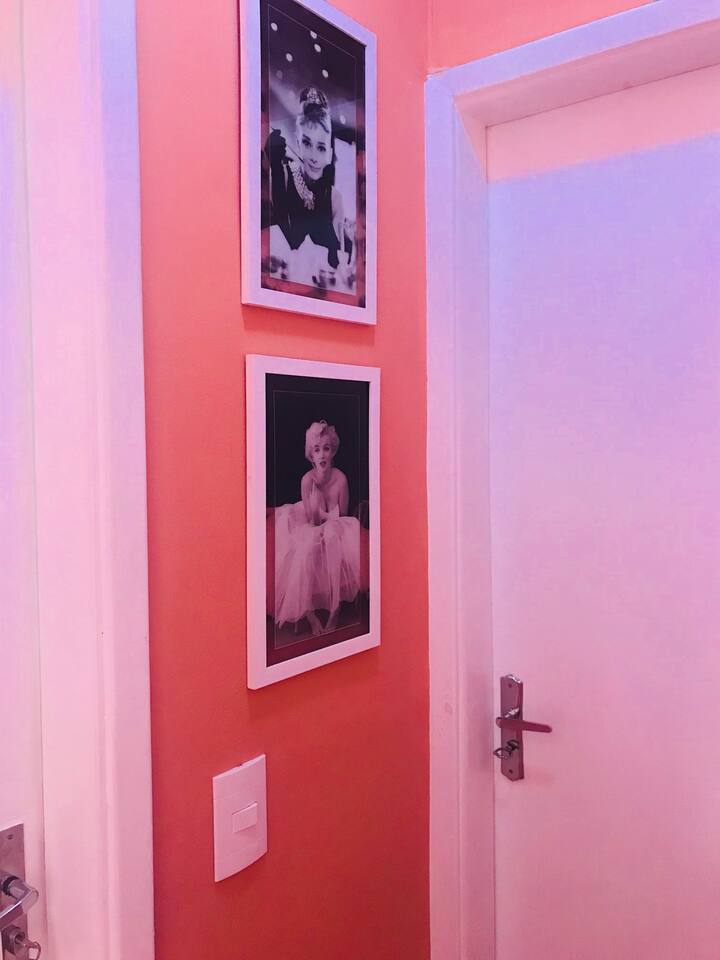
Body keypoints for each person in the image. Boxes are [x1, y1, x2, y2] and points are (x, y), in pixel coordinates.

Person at [274, 420, 361, 636]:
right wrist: (315, 506)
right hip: (311, 522)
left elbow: (343, 517)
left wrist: (328, 519)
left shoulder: (341, 479)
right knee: (306, 548)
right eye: (317, 450)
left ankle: (335, 608)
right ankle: (310, 614)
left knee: (331, 535)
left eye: (326, 449)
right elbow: (312, 523)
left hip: (336, 526)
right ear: (311, 456)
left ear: (333, 452)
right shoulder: (307, 481)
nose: (322, 455)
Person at [266, 87, 354, 288]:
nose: (314, 157)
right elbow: (280, 233)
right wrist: (276, 170)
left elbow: (339, 259)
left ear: (329, 153)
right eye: (307, 143)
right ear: (297, 142)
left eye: (321, 148)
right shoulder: (283, 176)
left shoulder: (334, 198)